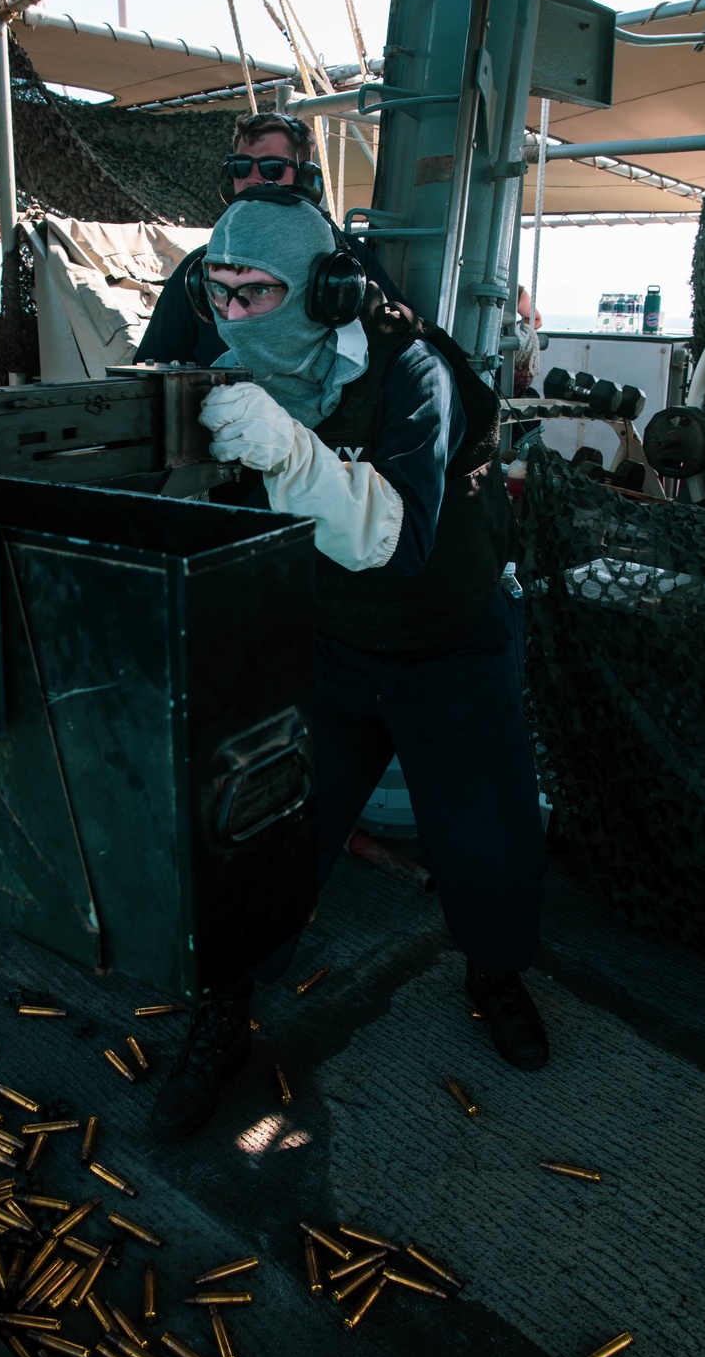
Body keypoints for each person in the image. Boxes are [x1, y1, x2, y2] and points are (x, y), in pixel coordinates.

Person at [150, 192, 548, 1143]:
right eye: (223, 293)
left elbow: (395, 539)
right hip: (330, 645)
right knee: (269, 836)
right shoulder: (232, 370)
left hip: (450, 641)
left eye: (259, 293)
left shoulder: (417, 372)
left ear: (327, 291)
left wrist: (288, 449)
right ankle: (227, 1005)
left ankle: (494, 974)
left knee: (489, 846)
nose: (237, 316)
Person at [133, 111, 405, 368]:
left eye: (272, 168)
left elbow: (397, 346)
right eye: (240, 167)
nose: (252, 179)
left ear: (306, 179)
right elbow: (151, 368)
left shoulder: (346, 261)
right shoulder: (200, 266)